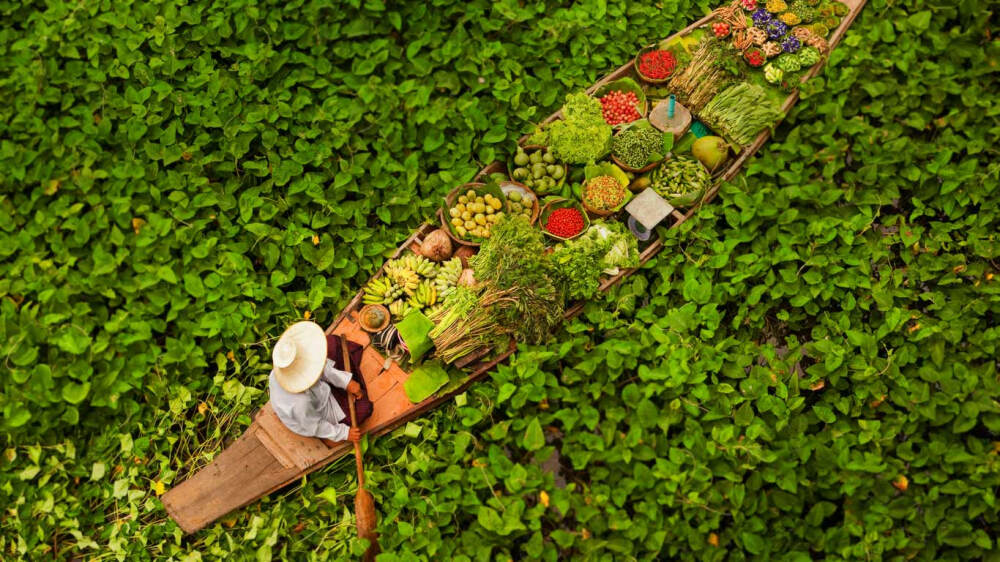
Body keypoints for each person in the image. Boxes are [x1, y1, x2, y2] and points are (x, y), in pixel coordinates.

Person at [268, 321, 374, 443]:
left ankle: (349, 382)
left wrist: (346, 382)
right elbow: (315, 426)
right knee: (364, 408)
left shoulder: (288, 364)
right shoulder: (299, 404)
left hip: (320, 390)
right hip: (321, 410)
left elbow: (321, 366)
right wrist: (343, 433)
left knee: (332, 342)